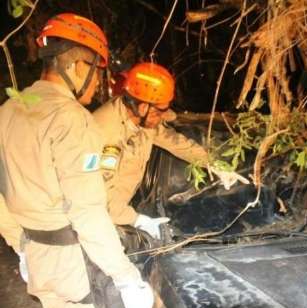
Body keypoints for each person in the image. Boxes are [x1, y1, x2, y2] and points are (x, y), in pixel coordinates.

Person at [0, 13, 153, 308]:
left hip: (38, 257)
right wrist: (125, 277)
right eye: (97, 71)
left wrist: (20, 244)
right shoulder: (70, 118)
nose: (98, 83)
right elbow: (87, 211)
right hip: (77, 267)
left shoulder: (9, 109)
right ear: (75, 65)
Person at [93, 62, 249, 239]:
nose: (161, 118)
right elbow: (97, 193)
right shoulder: (106, 132)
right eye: (160, 111)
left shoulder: (141, 117)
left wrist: (213, 164)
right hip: (97, 219)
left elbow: (174, 141)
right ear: (144, 107)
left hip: (115, 213)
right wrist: (135, 219)